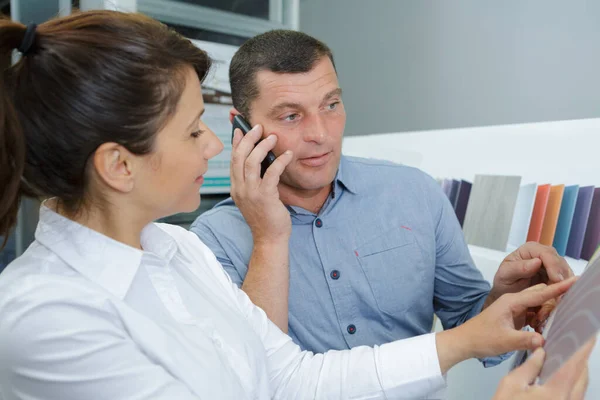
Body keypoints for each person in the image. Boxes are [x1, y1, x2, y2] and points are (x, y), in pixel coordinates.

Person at [0, 10, 590, 400]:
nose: (211, 146)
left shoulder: (173, 250)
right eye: (190, 131)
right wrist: (271, 235)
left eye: (331, 105)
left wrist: (479, 327)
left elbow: (286, 377)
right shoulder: (44, 316)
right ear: (118, 166)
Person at [190, 30, 574, 368]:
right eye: (291, 116)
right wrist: (267, 239)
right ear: (242, 127)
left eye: (331, 105)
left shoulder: (415, 193)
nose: (321, 134)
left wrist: (503, 297)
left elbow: (472, 329)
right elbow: (249, 374)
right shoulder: (213, 240)